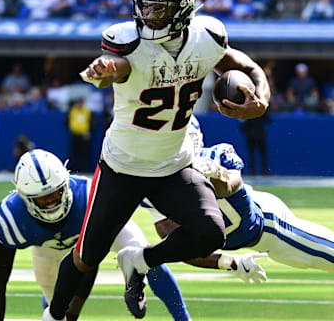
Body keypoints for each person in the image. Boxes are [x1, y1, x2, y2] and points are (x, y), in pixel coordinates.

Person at [43, 0, 270, 320]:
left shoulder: (206, 38)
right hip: (122, 167)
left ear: (182, 8)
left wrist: (262, 99)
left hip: (173, 165)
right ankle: (53, 316)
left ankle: (139, 260)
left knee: (210, 232)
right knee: (86, 258)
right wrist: (104, 70)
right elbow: (118, 66)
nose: (149, 15)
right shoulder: (128, 41)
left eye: (159, 8)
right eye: (145, 6)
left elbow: (247, 66)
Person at [0, 149, 194, 321]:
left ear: (66, 185)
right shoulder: (11, 220)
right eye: (43, 199)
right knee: (57, 308)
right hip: (47, 250)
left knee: (145, 254)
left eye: (56, 193)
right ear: (26, 198)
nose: (52, 202)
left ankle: (183, 318)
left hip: (98, 226)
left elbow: (90, 258)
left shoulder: (87, 195)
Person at [142, 117, 334, 281]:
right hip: (260, 242)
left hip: (273, 226)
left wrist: (216, 172)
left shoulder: (215, 156)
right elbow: (178, 246)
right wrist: (228, 262)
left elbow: (229, 188)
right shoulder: (156, 187)